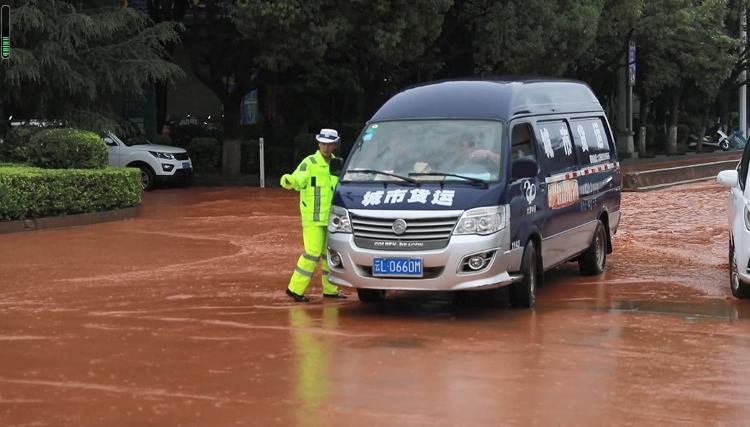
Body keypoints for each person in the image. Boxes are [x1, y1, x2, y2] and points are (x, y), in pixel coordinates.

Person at [280, 128, 347, 302]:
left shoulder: (337, 164)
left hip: (332, 218)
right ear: (318, 143)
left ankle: (330, 290)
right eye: (323, 143)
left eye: (329, 144)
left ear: (335, 145)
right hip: (312, 218)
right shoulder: (309, 163)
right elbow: (297, 180)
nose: (326, 147)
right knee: (312, 252)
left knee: (330, 254)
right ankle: (295, 288)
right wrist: (288, 180)